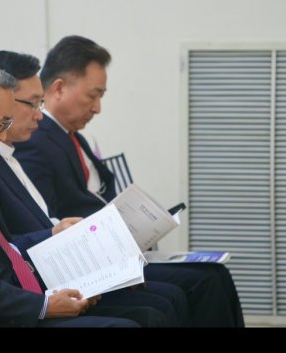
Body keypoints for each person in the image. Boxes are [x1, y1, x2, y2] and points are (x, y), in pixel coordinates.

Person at [0, 59, 165, 327]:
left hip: (13, 297)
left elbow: (3, 246)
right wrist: (44, 306)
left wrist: (56, 258)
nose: (3, 136)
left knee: (148, 312)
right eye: (1, 123)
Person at [13, 35, 245, 327]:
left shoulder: (72, 137)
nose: (97, 108)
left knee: (213, 274)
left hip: (117, 250)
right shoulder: (36, 143)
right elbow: (47, 220)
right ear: (58, 88)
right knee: (202, 282)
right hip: (92, 262)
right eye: (92, 96)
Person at [0, 50, 191, 327]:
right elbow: (1, 250)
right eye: (33, 104)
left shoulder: (11, 156)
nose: (39, 115)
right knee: (156, 309)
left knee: (165, 301)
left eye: (40, 104)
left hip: (64, 272)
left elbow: (44, 222)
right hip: (40, 287)